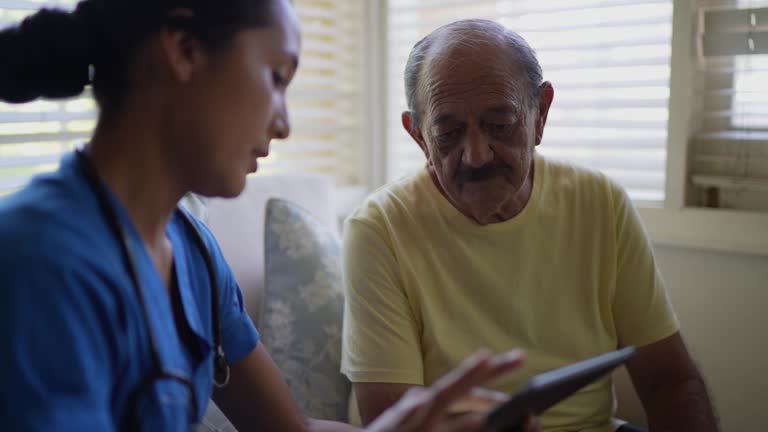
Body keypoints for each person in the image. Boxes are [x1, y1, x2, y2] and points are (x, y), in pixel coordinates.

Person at [0, 3, 541, 431]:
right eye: (277, 76)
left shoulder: (192, 253)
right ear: (185, 50)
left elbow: (295, 429)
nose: (283, 125)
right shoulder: (39, 261)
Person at [341, 19, 720, 432]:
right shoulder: (379, 230)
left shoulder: (601, 203)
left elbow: (671, 381)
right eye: (448, 133)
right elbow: (394, 420)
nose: (477, 155)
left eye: (500, 125)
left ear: (540, 114)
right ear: (419, 138)